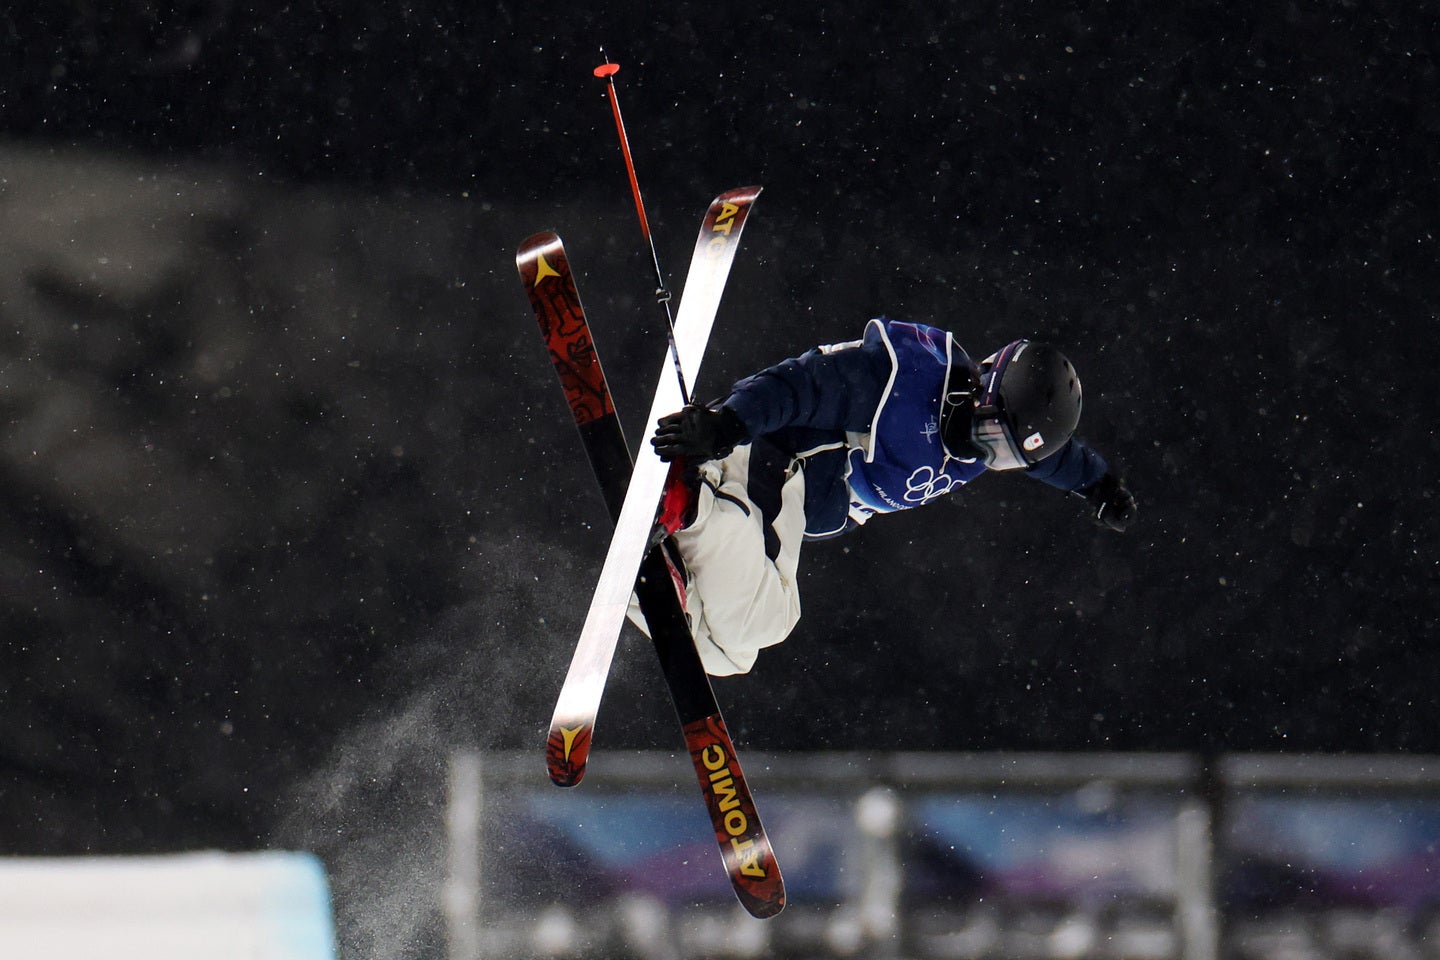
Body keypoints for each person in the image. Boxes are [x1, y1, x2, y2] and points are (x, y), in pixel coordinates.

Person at [634, 317, 1137, 677]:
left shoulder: (987, 438)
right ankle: (693, 505)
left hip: (789, 493)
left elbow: (1052, 456)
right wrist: (728, 424)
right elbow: (802, 384)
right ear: (984, 383)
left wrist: (1098, 485)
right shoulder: (904, 379)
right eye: (990, 431)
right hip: (768, 457)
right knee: (769, 618)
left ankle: (662, 579)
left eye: (1002, 454)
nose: (985, 451)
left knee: (728, 655)